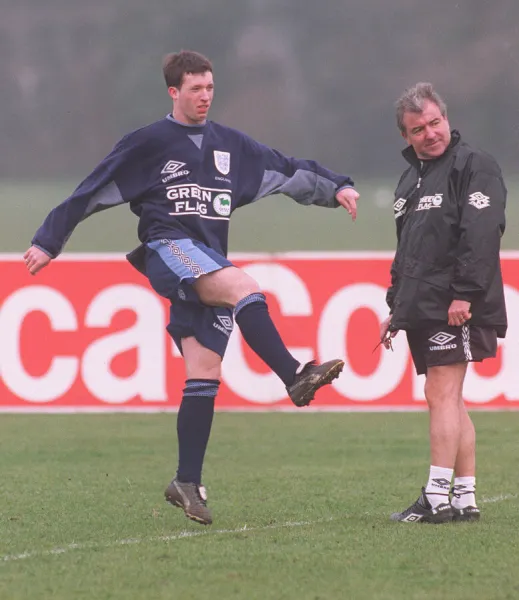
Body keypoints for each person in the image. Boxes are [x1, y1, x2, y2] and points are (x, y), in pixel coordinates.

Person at [24, 50, 360, 526]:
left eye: (209, 88)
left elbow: (286, 170)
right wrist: (48, 240)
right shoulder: (149, 142)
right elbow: (93, 187)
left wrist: (337, 188)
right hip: (168, 249)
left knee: (204, 371)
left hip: (208, 261)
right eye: (195, 89)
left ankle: (186, 481)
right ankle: (294, 375)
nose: (204, 97)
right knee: (245, 286)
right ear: (174, 92)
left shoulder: (230, 146)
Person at [380, 82, 507, 524]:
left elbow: (481, 234)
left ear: (446, 119)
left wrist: (464, 294)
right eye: (418, 128)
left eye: (435, 122)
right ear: (406, 136)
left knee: (441, 392)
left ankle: (435, 497)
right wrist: (396, 307)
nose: (430, 133)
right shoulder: (409, 180)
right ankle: (465, 498)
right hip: (424, 304)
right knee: (450, 399)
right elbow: (406, 252)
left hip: (457, 303)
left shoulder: (475, 166)